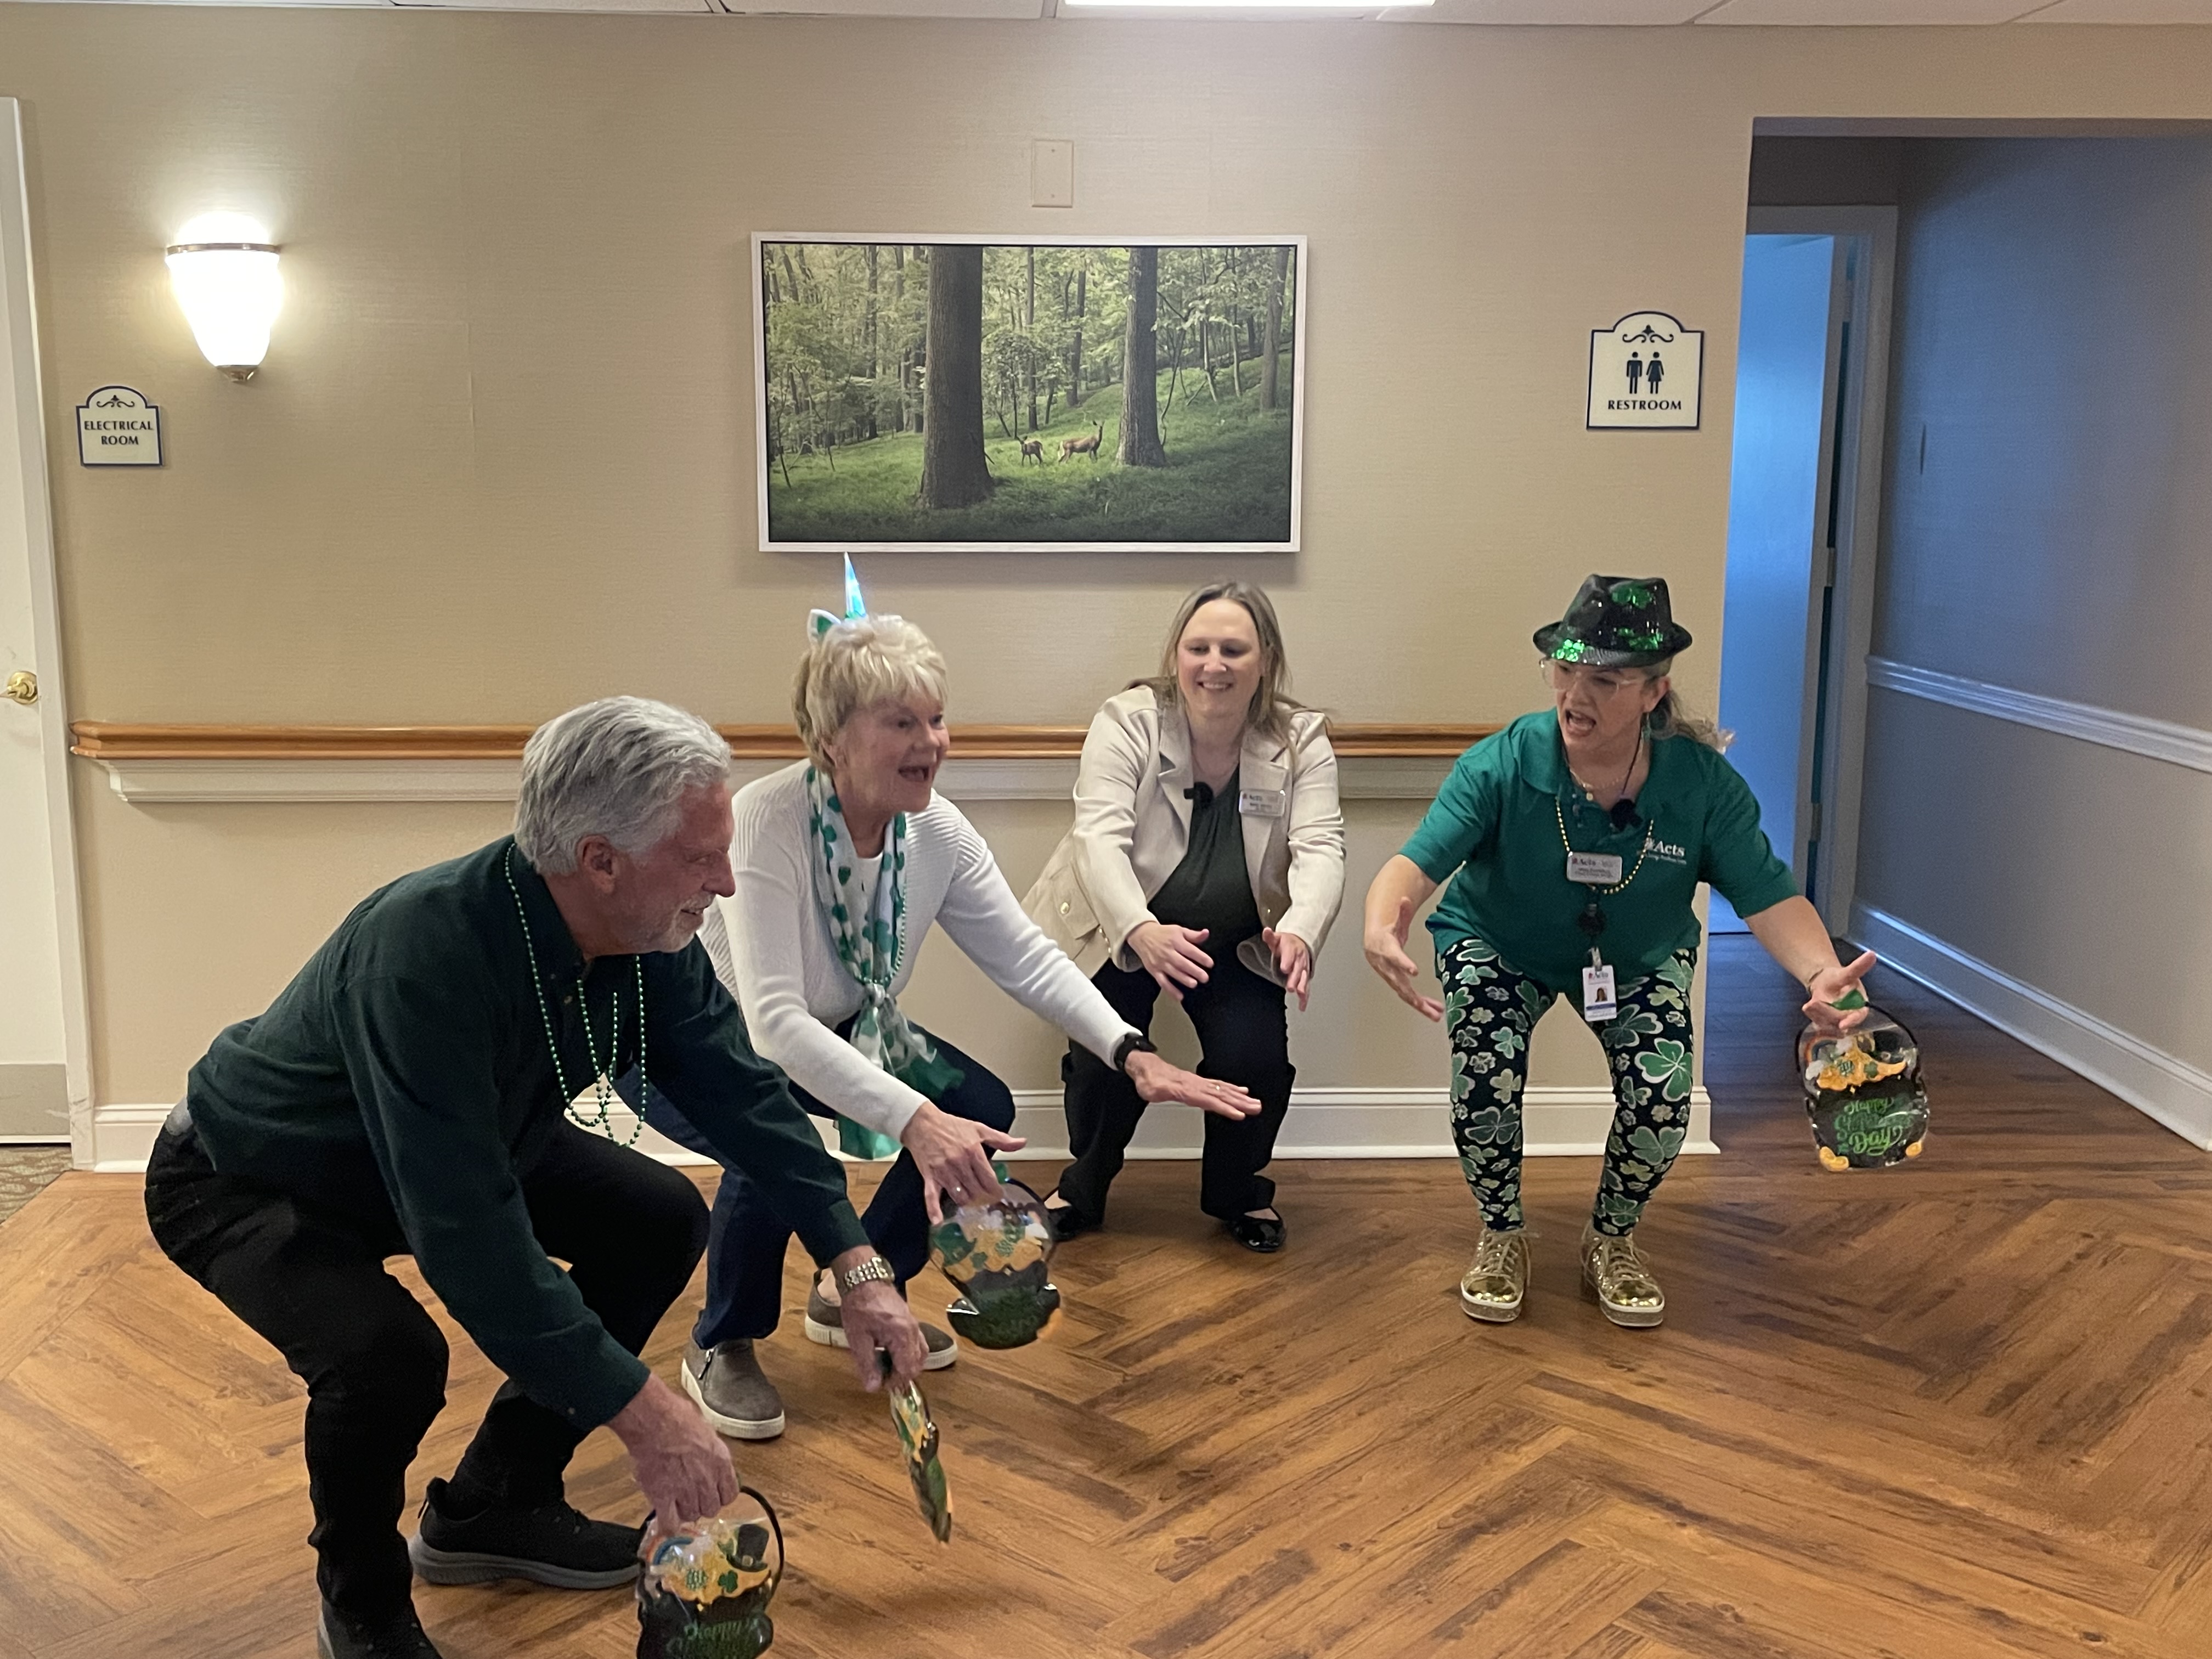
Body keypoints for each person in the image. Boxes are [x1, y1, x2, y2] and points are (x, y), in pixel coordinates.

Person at [143, 697, 928, 1659]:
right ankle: (363, 1599)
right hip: (248, 1174)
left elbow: (746, 1099)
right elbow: (471, 1239)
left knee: (654, 1218)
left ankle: (495, 1501)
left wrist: (858, 1264)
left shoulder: (650, 938)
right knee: (388, 1357)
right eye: (699, 857)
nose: (724, 882)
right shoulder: (421, 950)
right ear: (600, 860)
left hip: (456, 1142)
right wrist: (646, 1413)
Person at [647, 602, 1258, 1441]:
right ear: (830, 739)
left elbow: (1026, 954)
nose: (931, 742)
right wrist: (916, 1119)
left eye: (936, 719)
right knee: (775, 1140)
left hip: (841, 1025)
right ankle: (724, 1339)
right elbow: (775, 1025)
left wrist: (1130, 1052)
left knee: (979, 1104)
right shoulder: (765, 819)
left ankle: (852, 1289)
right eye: (902, 723)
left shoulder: (933, 828)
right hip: (692, 1037)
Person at [1362, 575, 1873, 1328]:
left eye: (1605, 680)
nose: (1576, 694)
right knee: (1484, 1071)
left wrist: (1822, 973)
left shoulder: (1700, 786)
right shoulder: (1503, 763)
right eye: (1566, 671)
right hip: (1499, 942)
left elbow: (1768, 895)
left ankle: (1612, 1239)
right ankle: (1501, 1234)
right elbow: (1417, 861)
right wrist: (1383, 921)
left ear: (1654, 692)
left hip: (1635, 954)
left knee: (1663, 1096)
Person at [1025, 580, 1346, 1252]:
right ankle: (1083, 1186)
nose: (1214, 665)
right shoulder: (1129, 721)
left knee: (1255, 1062)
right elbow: (1097, 838)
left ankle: (1237, 1192)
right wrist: (1140, 931)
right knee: (1104, 1058)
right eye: (1198, 648)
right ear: (1176, 655)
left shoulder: (1299, 739)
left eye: (1234, 649)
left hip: (1234, 941)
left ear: (1266, 660)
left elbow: (1320, 847)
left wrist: (1300, 930)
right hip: (1123, 927)